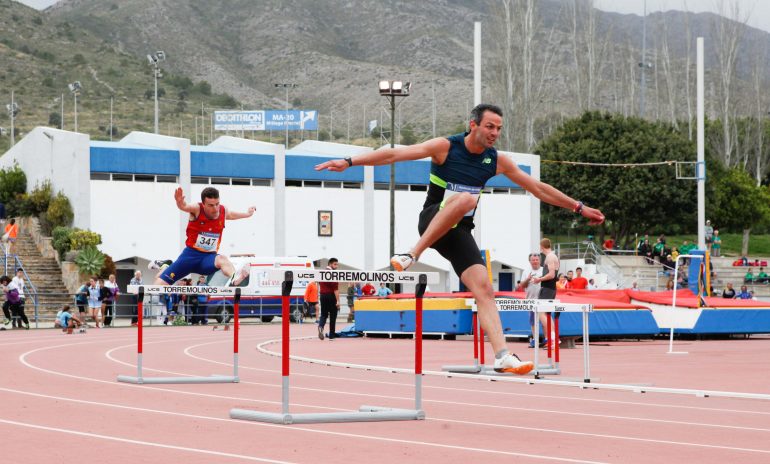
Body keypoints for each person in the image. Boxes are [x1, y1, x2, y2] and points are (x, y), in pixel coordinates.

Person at [315, 104, 604, 373]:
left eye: (499, 128)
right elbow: (393, 155)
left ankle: (502, 355)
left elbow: (538, 188)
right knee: (466, 199)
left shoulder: (496, 161)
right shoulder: (445, 147)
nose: (495, 133)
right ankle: (412, 254)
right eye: (490, 126)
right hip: (432, 220)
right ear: (473, 125)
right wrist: (349, 161)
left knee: (485, 289)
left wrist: (579, 207)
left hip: (459, 233)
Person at [153, 187, 255, 286]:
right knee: (158, 286)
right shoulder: (197, 209)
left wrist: (247, 214)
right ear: (203, 204)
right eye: (210, 205)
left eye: (217, 204)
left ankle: (235, 278)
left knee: (222, 259)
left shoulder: (223, 211)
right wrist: (179, 202)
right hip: (189, 257)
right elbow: (184, 206)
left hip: (208, 259)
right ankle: (165, 267)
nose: (215, 208)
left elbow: (232, 215)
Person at [518, 252, 547, 348]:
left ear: (540, 261)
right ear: (530, 261)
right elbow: (522, 285)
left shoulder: (544, 270)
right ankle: (535, 339)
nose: (535, 261)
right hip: (530, 299)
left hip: (542, 299)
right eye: (533, 260)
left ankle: (547, 338)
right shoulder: (526, 271)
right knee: (533, 321)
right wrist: (528, 279)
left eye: (537, 260)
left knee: (544, 320)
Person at [317, 258, 340, 340]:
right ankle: (331, 335)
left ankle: (321, 326)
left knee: (323, 314)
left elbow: (319, 283)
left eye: (337, 264)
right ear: (330, 264)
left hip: (322, 295)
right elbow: (336, 290)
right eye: (335, 264)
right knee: (333, 315)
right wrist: (338, 301)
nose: (336, 266)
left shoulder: (321, 273)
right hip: (331, 295)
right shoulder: (333, 274)